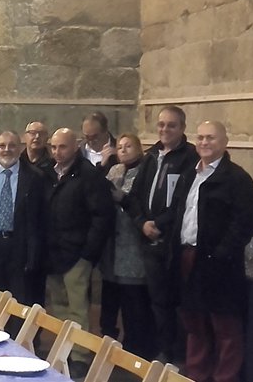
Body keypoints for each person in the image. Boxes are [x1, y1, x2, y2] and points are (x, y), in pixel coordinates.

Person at [167, 121, 253, 382]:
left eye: (211, 138)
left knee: (225, 326)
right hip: (187, 257)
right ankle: (196, 374)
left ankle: (224, 378)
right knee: (194, 322)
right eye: (201, 138)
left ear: (224, 142)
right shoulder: (189, 175)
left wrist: (220, 253)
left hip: (220, 263)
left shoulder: (237, 179)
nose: (204, 143)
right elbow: (179, 214)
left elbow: (244, 223)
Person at [43, 128, 115, 377]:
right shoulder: (49, 173)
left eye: (62, 147)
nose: (57, 152)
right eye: (53, 147)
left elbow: (102, 216)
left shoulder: (88, 175)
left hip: (78, 253)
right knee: (59, 305)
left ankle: (80, 356)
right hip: (54, 252)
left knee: (78, 308)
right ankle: (64, 351)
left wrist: (88, 253)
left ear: (76, 146)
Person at [131, 105, 197, 361]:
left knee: (174, 302)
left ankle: (175, 355)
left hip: (172, 242)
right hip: (149, 240)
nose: (165, 129)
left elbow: (183, 200)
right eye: (161, 124)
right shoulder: (151, 155)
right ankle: (161, 349)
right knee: (156, 301)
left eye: (171, 125)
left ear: (182, 128)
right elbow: (135, 195)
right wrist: (141, 223)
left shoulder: (189, 158)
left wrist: (159, 223)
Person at [0, 131, 47, 310]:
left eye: (12, 145)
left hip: (19, 247)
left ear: (21, 148)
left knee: (19, 304)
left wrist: (33, 255)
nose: (6, 150)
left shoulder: (35, 177)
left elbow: (40, 219)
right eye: (2, 146)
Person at [99, 134, 156, 359]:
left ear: (139, 149)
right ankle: (108, 347)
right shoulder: (114, 171)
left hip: (133, 245)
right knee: (109, 302)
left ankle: (136, 350)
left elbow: (138, 202)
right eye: (120, 146)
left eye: (128, 146)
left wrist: (120, 197)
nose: (123, 150)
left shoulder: (145, 172)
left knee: (133, 304)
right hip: (111, 247)